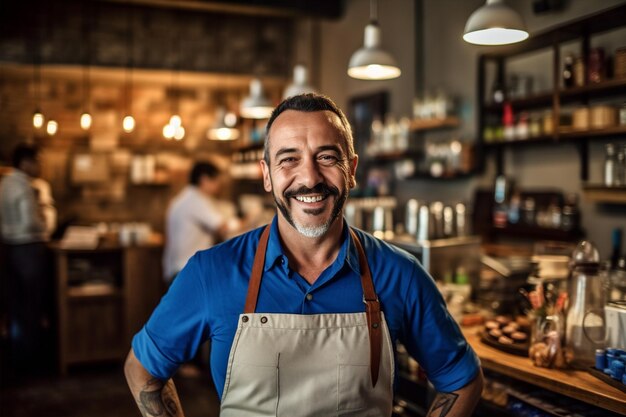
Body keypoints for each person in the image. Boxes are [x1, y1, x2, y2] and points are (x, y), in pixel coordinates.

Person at [125, 94, 483, 416]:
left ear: (352, 171)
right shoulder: (212, 271)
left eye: (326, 157)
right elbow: (142, 370)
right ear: (267, 176)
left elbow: (461, 381)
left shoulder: (399, 274)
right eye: (288, 159)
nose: (309, 177)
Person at [0, 143, 56, 376]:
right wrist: (45, 222)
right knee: (32, 305)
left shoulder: (4, 184)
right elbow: (31, 222)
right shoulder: (24, 186)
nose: (40, 166)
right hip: (28, 249)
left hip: (9, 247)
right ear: (25, 163)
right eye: (37, 161)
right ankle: (32, 362)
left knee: (16, 305)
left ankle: (16, 357)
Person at [162, 161, 233, 285]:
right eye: (216, 181)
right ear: (204, 180)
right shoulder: (196, 200)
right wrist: (250, 219)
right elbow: (222, 227)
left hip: (179, 268)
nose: (218, 186)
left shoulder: (187, 197)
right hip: (186, 269)